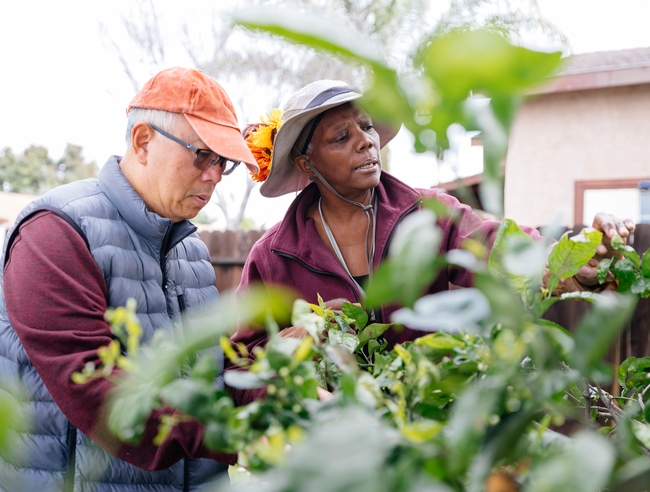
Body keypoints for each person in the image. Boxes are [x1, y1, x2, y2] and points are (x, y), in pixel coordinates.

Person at [229, 79, 635, 407]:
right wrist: (293, 363)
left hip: (428, 424)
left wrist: (576, 255)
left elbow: (501, 249)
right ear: (307, 163)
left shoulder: (427, 213)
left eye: (366, 126)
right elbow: (245, 368)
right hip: (334, 449)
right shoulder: (273, 257)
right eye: (340, 137)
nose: (365, 141)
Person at [0, 67, 259, 491]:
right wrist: (245, 437)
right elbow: (97, 389)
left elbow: (212, 375)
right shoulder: (56, 231)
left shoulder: (191, 250)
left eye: (223, 162)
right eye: (201, 154)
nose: (214, 175)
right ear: (142, 141)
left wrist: (281, 394)